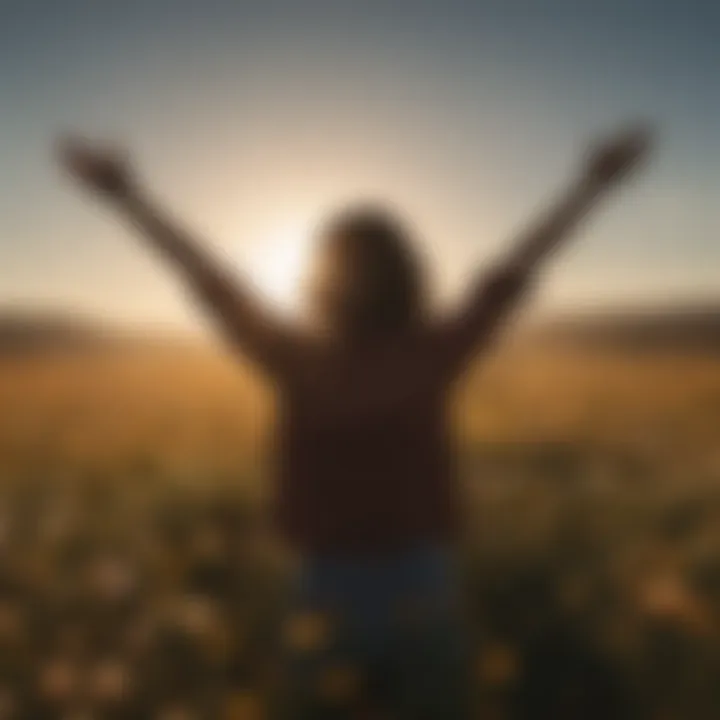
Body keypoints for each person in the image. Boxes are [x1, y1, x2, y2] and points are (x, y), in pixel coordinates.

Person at [58, 126, 653, 719]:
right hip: (386, 578)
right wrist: (590, 187)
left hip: (360, 579)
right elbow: (212, 281)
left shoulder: (321, 359)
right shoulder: (397, 356)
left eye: (354, 267)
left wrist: (127, 196)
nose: (354, 280)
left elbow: (212, 281)